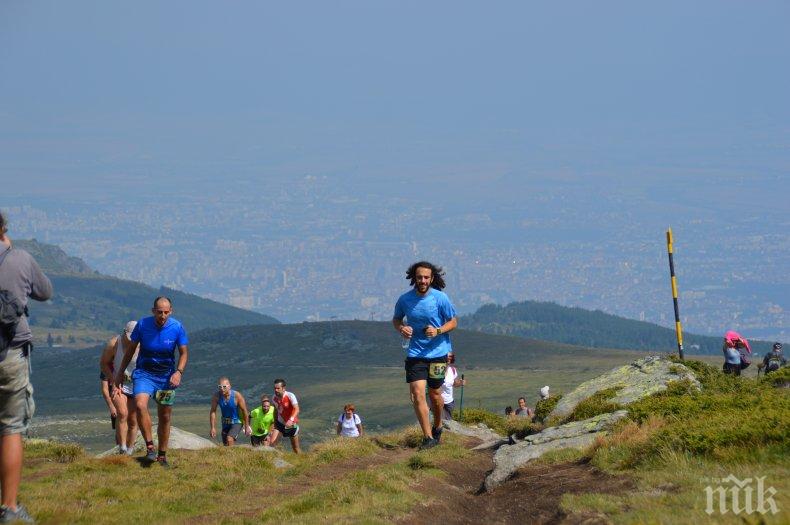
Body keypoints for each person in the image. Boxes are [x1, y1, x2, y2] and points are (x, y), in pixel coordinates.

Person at [0, 210, 53, 523]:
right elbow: (45, 291)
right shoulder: (19, 259)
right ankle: (9, 507)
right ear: (3, 229)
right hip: (10, 354)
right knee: (10, 428)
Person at [115, 297, 188, 467]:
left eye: (166, 312)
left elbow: (184, 353)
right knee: (140, 405)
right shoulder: (143, 325)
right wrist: (120, 373)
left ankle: (162, 456)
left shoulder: (177, 327)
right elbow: (130, 350)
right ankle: (150, 447)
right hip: (144, 374)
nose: (162, 316)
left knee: (165, 416)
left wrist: (179, 372)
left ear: (171, 311)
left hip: (166, 377)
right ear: (153, 311)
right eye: (159, 312)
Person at [393, 261, 458, 450]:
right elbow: (396, 319)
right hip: (415, 353)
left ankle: (438, 425)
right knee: (417, 392)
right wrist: (402, 328)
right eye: (419, 277)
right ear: (414, 278)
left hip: (438, 353)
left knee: (435, 394)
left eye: (426, 277)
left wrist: (438, 331)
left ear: (432, 279)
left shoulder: (440, 298)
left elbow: (453, 321)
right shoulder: (405, 299)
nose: (423, 280)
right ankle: (428, 437)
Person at [100, 321, 140, 455]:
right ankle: (122, 447)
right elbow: (104, 364)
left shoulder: (143, 345)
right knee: (122, 413)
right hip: (118, 383)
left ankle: (130, 448)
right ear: (124, 332)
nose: (131, 341)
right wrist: (113, 380)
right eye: (129, 338)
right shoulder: (114, 344)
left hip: (136, 384)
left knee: (133, 419)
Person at [209, 377, 251, 446]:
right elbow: (213, 411)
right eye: (220, 387)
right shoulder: (216, 396)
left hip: (237, 421)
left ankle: (232, 455)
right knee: (226, 444)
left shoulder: (237, 396)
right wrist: (213, 428)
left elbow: (244, 411)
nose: (222, 389)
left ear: (229, 386)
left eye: (224, 386)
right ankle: (232, 455)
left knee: (230, 438)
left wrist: (246, 426)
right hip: (225, 422)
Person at [269, 378, 301, 453]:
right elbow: (275, 411)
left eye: (278, 388)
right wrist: (274, 423)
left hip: (291, 425)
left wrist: (291, 420)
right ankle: (272, 462)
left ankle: (304, 462)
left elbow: (297, 409)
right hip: (280, 424)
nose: (276, 390)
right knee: (272, 445)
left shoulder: (290, 396)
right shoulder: (274, 398)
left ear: (283, 388)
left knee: (296, 449)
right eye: (275, 388)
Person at [435, 352, 465, 421]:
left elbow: (454, 384)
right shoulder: (437, 369)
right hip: (438, 401)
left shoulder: (453, 370)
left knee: (449, 421)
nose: (449, 358)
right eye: (447, 356)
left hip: (449, 402)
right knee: (439, 421)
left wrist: (460, 383)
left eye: (450, 357)